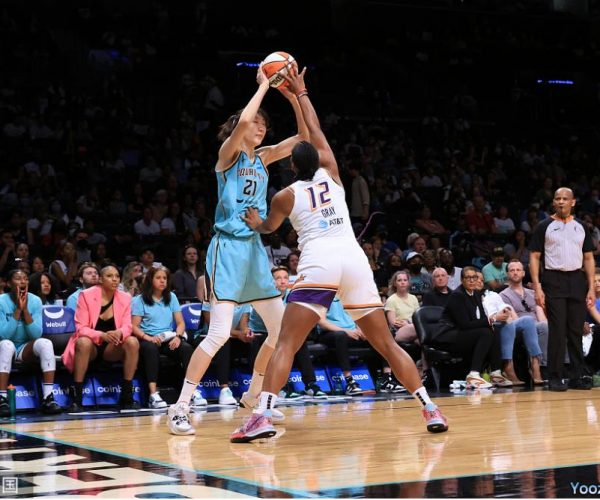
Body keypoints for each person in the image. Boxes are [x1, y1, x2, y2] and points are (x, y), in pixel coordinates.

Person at [230, 66, 447, 442]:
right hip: (354, 260)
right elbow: (313, 131)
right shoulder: (331, 171)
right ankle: (430, 407)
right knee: (386, 344)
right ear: (317, 160)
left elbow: (268, 228)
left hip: (320, 262)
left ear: (292, 166)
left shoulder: (285, 196)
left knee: (286, 342)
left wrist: (256, 221)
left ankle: (261, 415)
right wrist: (300, 93)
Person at [167, 63, 309, 436]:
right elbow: (244, 118)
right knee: (217, 334)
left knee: (281, 330)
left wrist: (294, 96)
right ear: (240, 128)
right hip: (227, 249)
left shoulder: (263, 158)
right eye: (255, 123)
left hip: (254, 250)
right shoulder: (228, 155)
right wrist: (262, 85)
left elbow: (304, 138)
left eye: (264, 124)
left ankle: (254, 395)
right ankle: (180, 407)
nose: (259, 127)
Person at [529, 187, 596, 391]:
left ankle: (576, 376)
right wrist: (537, 286)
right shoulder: (544, 226)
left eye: (565, 199)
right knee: (557, 330)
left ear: (573, 202)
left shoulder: (581, 226)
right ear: (553, 202)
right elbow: (534, 257)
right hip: (553, 279)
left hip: (577, 279)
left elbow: (588, 258)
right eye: (557, 198)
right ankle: (555, 376)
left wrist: (591, 287)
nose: (560, 202)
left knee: (576, 329)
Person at [62, 265, 140, 412]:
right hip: (91, 345)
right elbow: (81, 328)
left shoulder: (125, 298)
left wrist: (119, 333)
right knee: (83, 342)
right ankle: (77, 398)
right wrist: (101, 335)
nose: (114, 279)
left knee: (132, 341)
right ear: (100, 279)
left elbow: (128, 327)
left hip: (112, 347)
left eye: (117, 276)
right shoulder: (86, 295)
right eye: (109, 276)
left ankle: (127, 395)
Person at [249, 266, 325, 400]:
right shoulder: (265, 296)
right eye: (278, 278)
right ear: (271, 281)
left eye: (285, 278)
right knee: (276, 342)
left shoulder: (293, 295)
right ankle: (279, 387)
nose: (283, 281)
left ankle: (310, 384)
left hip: (281, 332)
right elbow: (273, 322)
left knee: (299, 341)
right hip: (262, 333)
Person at [432, 267, 511, 389]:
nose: (472, 280)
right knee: (485, 332)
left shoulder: (476, 295)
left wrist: (493, 320)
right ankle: (473, 374)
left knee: (493, 330)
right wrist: (493, 319)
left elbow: (482, 319)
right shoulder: (457, 296)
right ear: (461, 280)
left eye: (474, 277)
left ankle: (495, 373)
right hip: (447, 335)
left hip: (461, 333)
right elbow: (464, 324)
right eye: (468, 278)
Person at [0, 270, 61, 415]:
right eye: (18, 278)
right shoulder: (1, 301)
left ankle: (48, 398)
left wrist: (25, 310)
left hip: (25, 348)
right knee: (7, 345)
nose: (23, 282)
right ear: (8, 283)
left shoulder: (35, 301)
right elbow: (4, 335)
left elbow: (36, 334)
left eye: (25, 279)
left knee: (45, 343)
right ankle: (2, 398)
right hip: (4, 346)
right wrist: (18, 310)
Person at [132, 267, 194, 409]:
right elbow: (134, 326)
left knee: (186, 348)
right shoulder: (139, 300)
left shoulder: (171, 297)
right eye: (158, 278)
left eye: (165, 278)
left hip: (167, 338)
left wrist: (178, 337)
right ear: (150, 280)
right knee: (151, 349)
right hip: (146, 339)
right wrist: (148, 338)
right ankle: (153, 394)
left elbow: (180, 323)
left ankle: (191, 392)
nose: (162, 281)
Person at [476, 270, 544, 385]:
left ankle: (535, 365)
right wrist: (495, 317)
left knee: (528, 320)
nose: (479, 281)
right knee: (507, 323)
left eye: (482, 280)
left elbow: (503, 305)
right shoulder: (471, 297)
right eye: (476, 279)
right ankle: (508, 366)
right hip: (490, 324)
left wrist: (506, 310)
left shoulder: (492, 295)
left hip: (504, 321)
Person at [317, 297, 369, 396]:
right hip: (330, 333)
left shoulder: (348, 296)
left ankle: (387, 377)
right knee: (341, 336)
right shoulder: (324, 295)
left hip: (352, 332)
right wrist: (346, 331)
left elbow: (357, 317)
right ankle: (349, 381)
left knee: (379, 336)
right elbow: (323, 323)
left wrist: (361, 329)